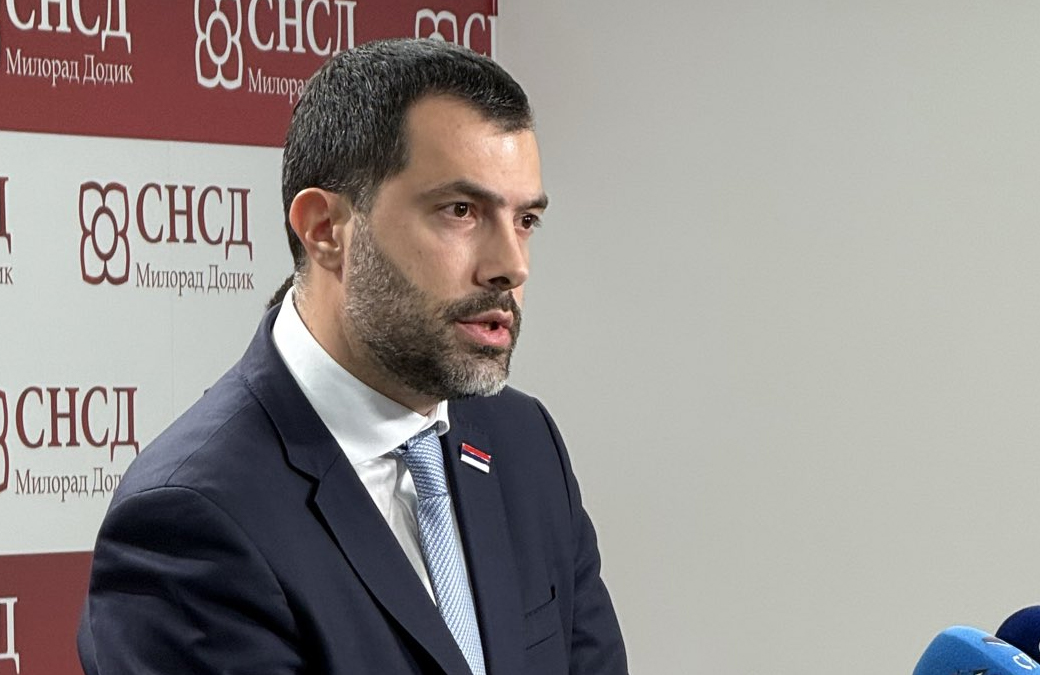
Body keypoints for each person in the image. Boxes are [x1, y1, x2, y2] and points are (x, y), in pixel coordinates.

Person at [77, 38, 628, 675]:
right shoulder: (191, 520)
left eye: (525, 220)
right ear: (324, 230)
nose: (511, 265)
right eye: (461, 211)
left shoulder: (524, 442)